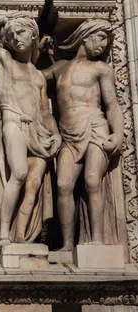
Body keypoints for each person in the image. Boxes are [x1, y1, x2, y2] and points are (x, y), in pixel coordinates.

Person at [0, 15, 61, 248]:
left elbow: (45, 111)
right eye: (10, 36)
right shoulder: (5, 60)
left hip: (38, 129)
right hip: (14, 121)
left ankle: (20, 236)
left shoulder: (38, 75)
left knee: (33, 183)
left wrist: (56, 134)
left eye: (20, 33)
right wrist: (1, 19)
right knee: (19, 173)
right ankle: (2, 236)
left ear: (34, 35)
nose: (15, 38)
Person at [43, 19, 124, 250]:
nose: (102, 45)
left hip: (95, 128)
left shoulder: (101, 69)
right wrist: (38, 48)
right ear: (84, 36)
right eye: (99, 37)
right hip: (68, 134)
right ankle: (67, 245)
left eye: (106, 42)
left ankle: (96, 239)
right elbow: (34, 77)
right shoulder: (59, 67)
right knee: (63, 185)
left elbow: (112, 105)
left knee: (91, 180)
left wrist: (117, 133)